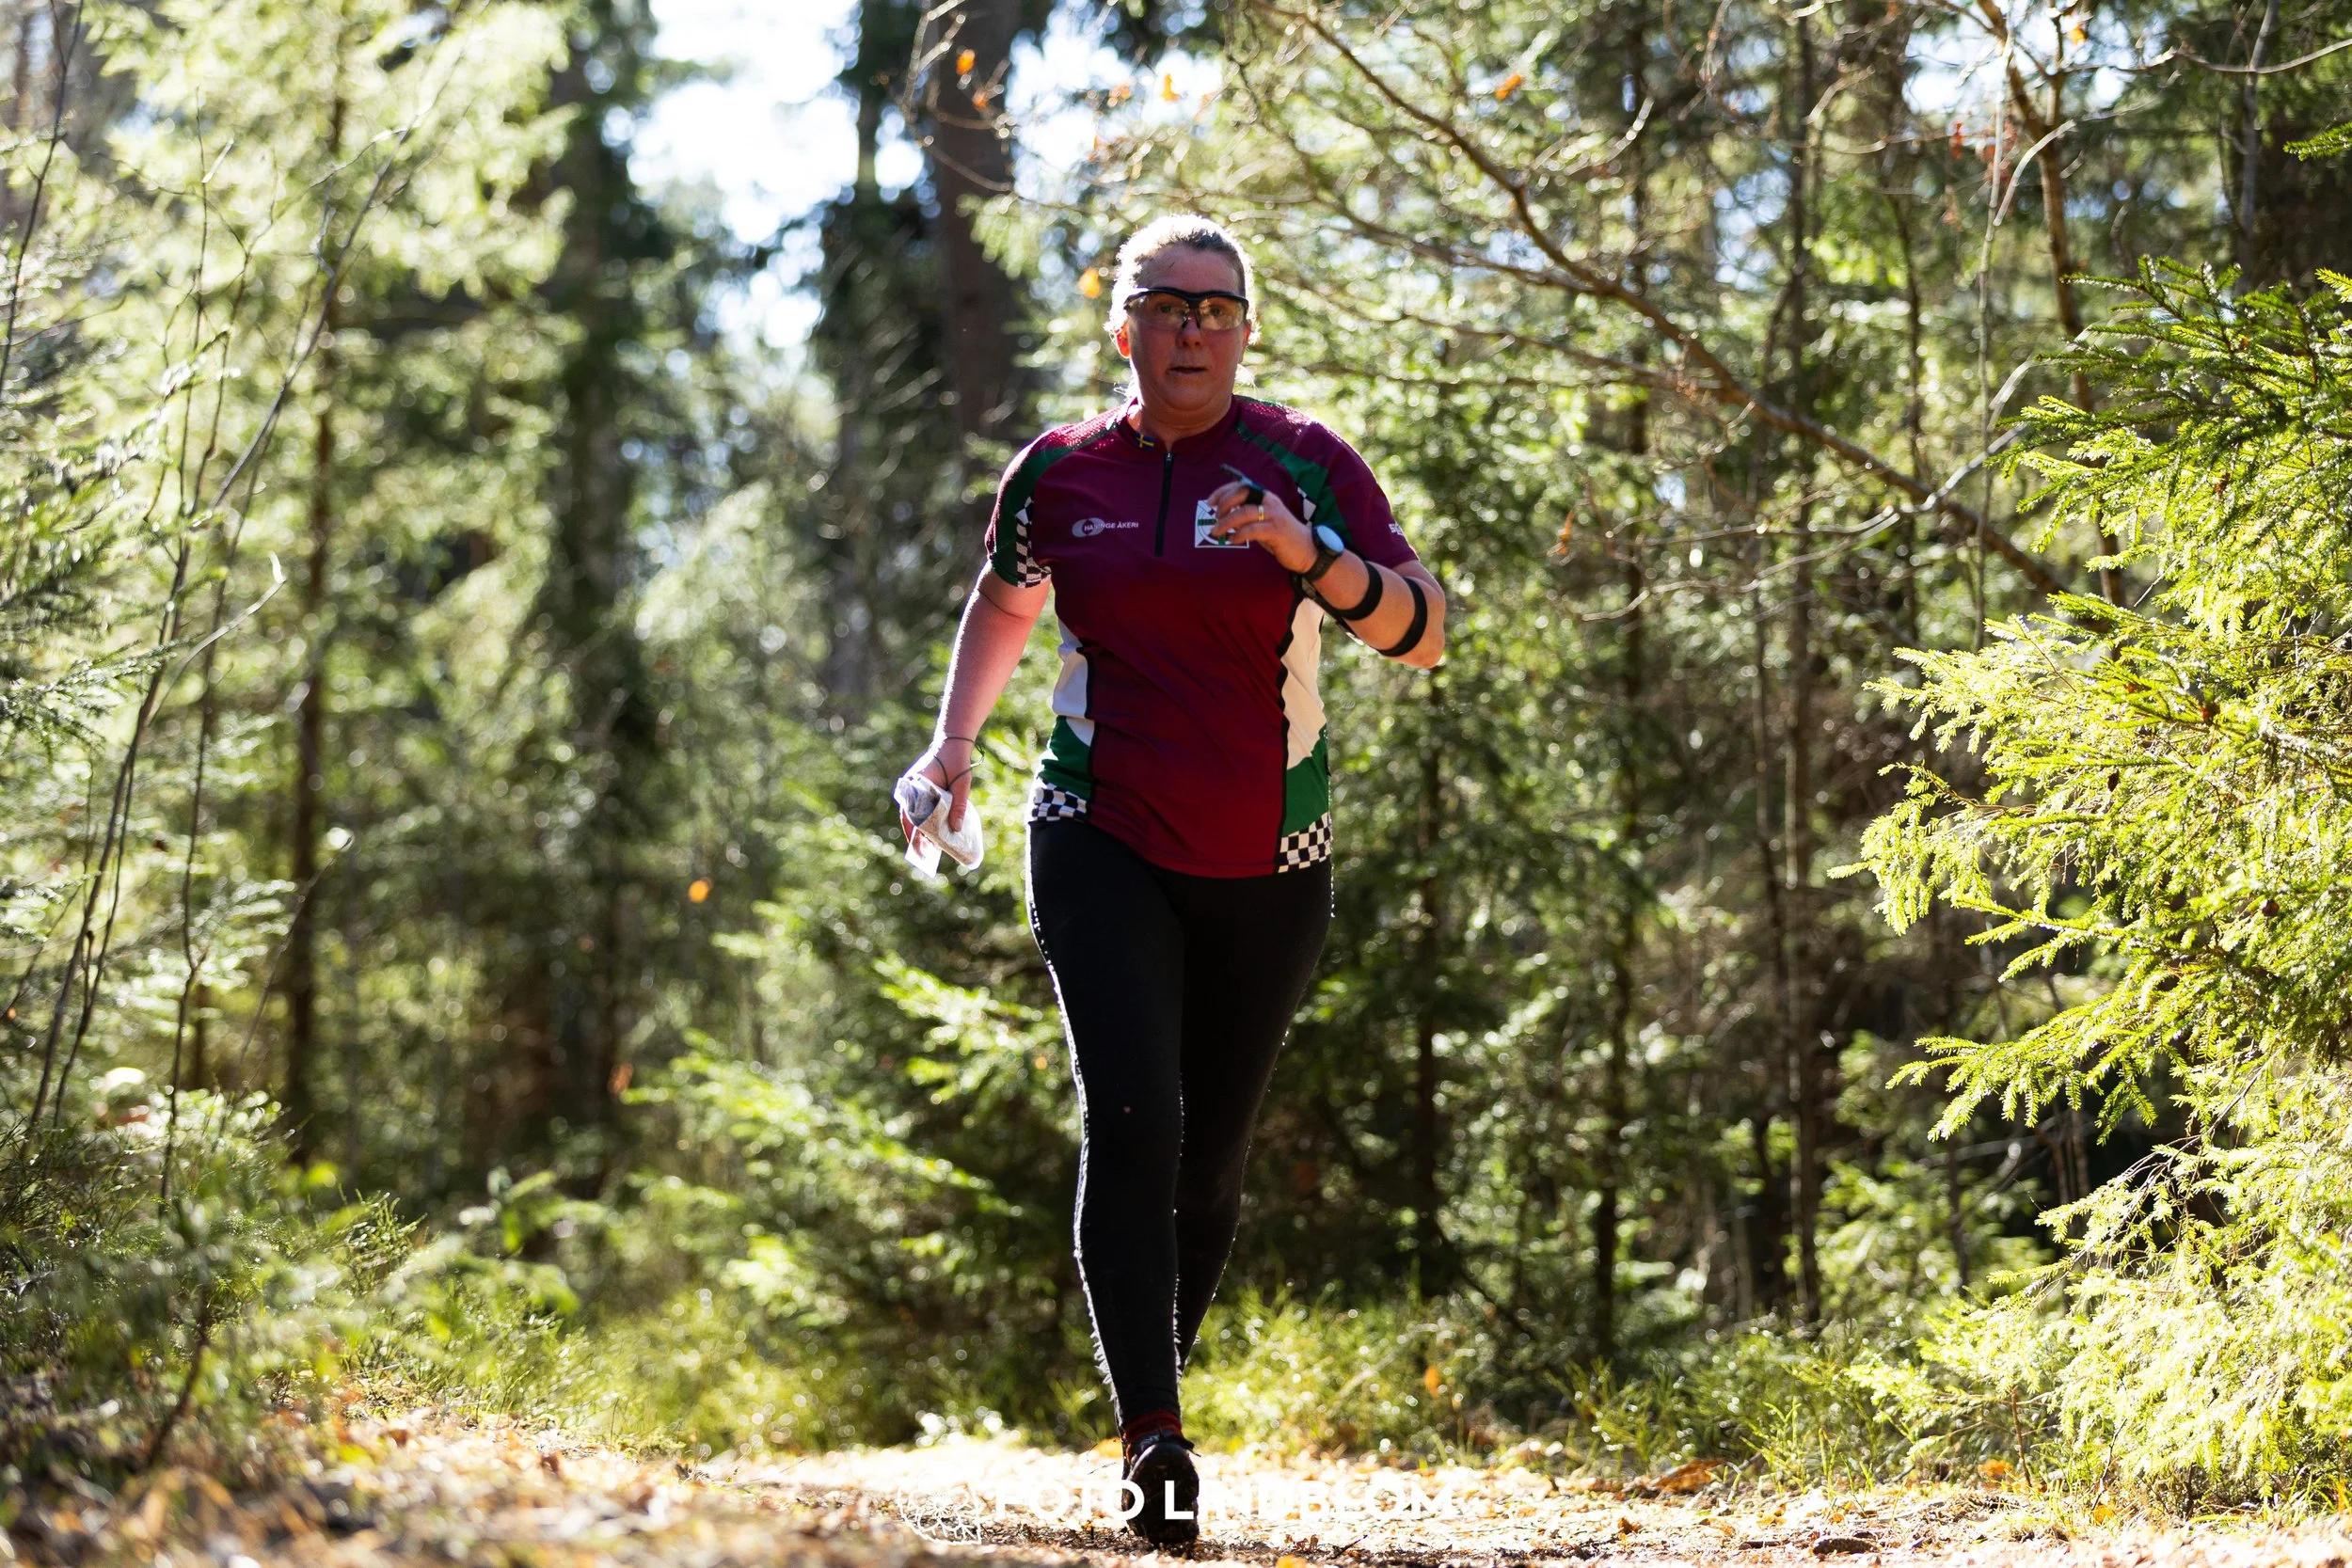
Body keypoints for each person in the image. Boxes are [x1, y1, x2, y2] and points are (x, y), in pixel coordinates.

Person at [898, 214, 1445, 1547]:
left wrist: (1303, 555)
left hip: (1272, 855)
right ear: (1121, 324)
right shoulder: (1061, 472)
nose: (1192, 329)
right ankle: (1154, 1435)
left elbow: (1423, 633)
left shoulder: (1304, 462)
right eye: (1165, 304)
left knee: (1210, 1163)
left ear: (1246, 331)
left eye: (1217, 309)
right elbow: (1009, 596)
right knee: (1135, 1115)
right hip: (1098, 824)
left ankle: (1155, 1373)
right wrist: (953, 742)